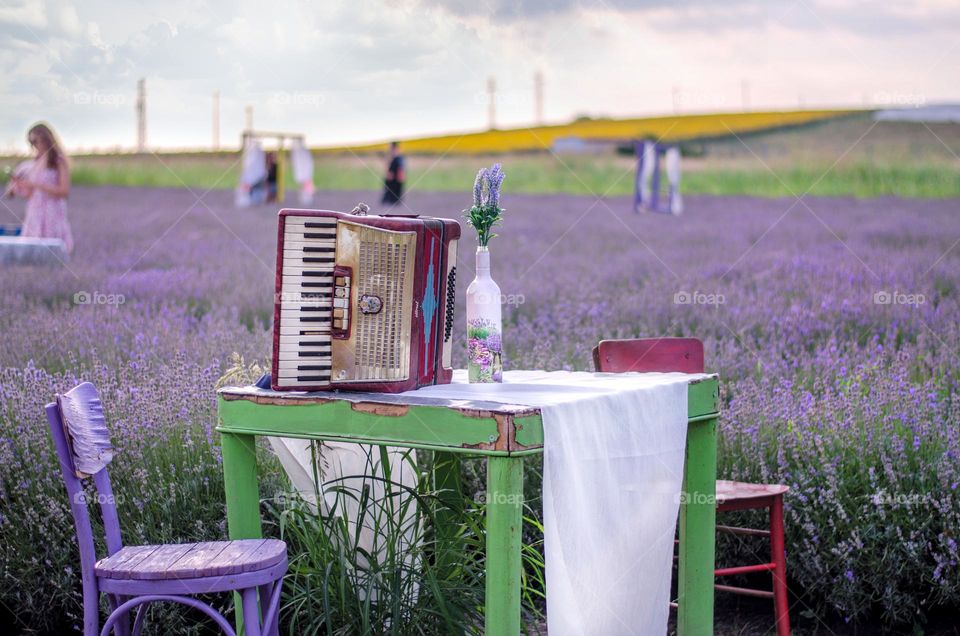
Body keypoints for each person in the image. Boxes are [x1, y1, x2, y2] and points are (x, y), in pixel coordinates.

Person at [5, 123, 73, 252]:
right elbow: (30, 193)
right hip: (35, 212)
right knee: (31, 254)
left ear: (46, 139)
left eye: (35, 141)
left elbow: (64, 191)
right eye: (30, 142)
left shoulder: (58, 161)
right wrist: (19, 186)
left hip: (52, 212)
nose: (34, 145)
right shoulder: (34, 163)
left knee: (53, 254)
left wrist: (37, 185)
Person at [381, 141, 405, 205]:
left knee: (394, 197)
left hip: (395, 180)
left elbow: (400, 170)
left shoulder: (398, 158)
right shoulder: (393, 158)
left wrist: (400, 176)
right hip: (392, 180)